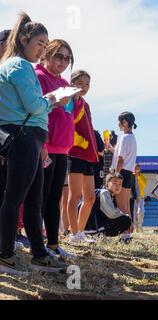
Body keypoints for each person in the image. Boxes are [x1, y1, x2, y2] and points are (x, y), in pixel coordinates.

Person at [0, 13, 69, 274]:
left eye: (45, 44)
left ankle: (38, 254)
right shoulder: (19, 66)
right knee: (14, 198)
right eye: (40, 44)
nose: (42, 50)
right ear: (24, 39)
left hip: (30, 139)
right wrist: (53, 100)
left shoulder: (17, 65)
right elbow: (33, 105)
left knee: (32, 200)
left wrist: (46, 100)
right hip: (24, 137)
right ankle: (5, 255)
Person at [35, 38, 76, 258]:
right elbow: (37, 109)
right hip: (46, 146)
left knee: (54, 199)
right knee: (39, 197)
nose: (63, 61)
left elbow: (67, 114)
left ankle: (53, 244)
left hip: (62, 149)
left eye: (67, 58)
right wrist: (42, 145)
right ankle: (37, 245)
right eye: (59, 56)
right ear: (48, 54)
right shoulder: (39, 76)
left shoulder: (63, 83)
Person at [66, 70, 100, 243]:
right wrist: (84, 143)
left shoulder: (84, 103)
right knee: (74, 196)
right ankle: (73, 233)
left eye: (87, 84)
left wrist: (94, 149)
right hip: (75, 153)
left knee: (90, 197)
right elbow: (68, 125)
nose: (84, 87)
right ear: (72, 83)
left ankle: (79, 231)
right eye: (81, 83)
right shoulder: (69, 100)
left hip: (88, 156)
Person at [109, 112, 138, 242]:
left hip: (122, 172)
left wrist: (115, 174)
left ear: (125, 122)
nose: (118, 124)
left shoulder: (125, 137)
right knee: (126, 205)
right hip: (128, 173)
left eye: (119, 121)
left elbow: (120, 158)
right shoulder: (131, 137)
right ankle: (128, 231)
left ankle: (125, 234)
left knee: (121, 205)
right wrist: (110, 148)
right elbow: (118, 154)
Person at [84, 173, 131, 237]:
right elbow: (111, 213)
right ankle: (99, 234)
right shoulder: (104, 193)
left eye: (120, 184)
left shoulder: (108, 194)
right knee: (126, 220)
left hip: (91, 225)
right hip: (91, 227)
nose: (118, 186)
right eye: (114, 183)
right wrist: (126, 216)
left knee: (124, 218)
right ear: (107, 184)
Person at [134, 164, 147, 233]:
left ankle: (140, 225)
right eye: (136, 168)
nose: (137, 169)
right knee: (134, 214)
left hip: (141, 197)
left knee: (140, 212)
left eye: (138, 168)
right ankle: (136, 229)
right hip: (133, 198)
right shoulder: (131, 176)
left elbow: (144, 184)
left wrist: (138, 177)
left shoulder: (142, 177)